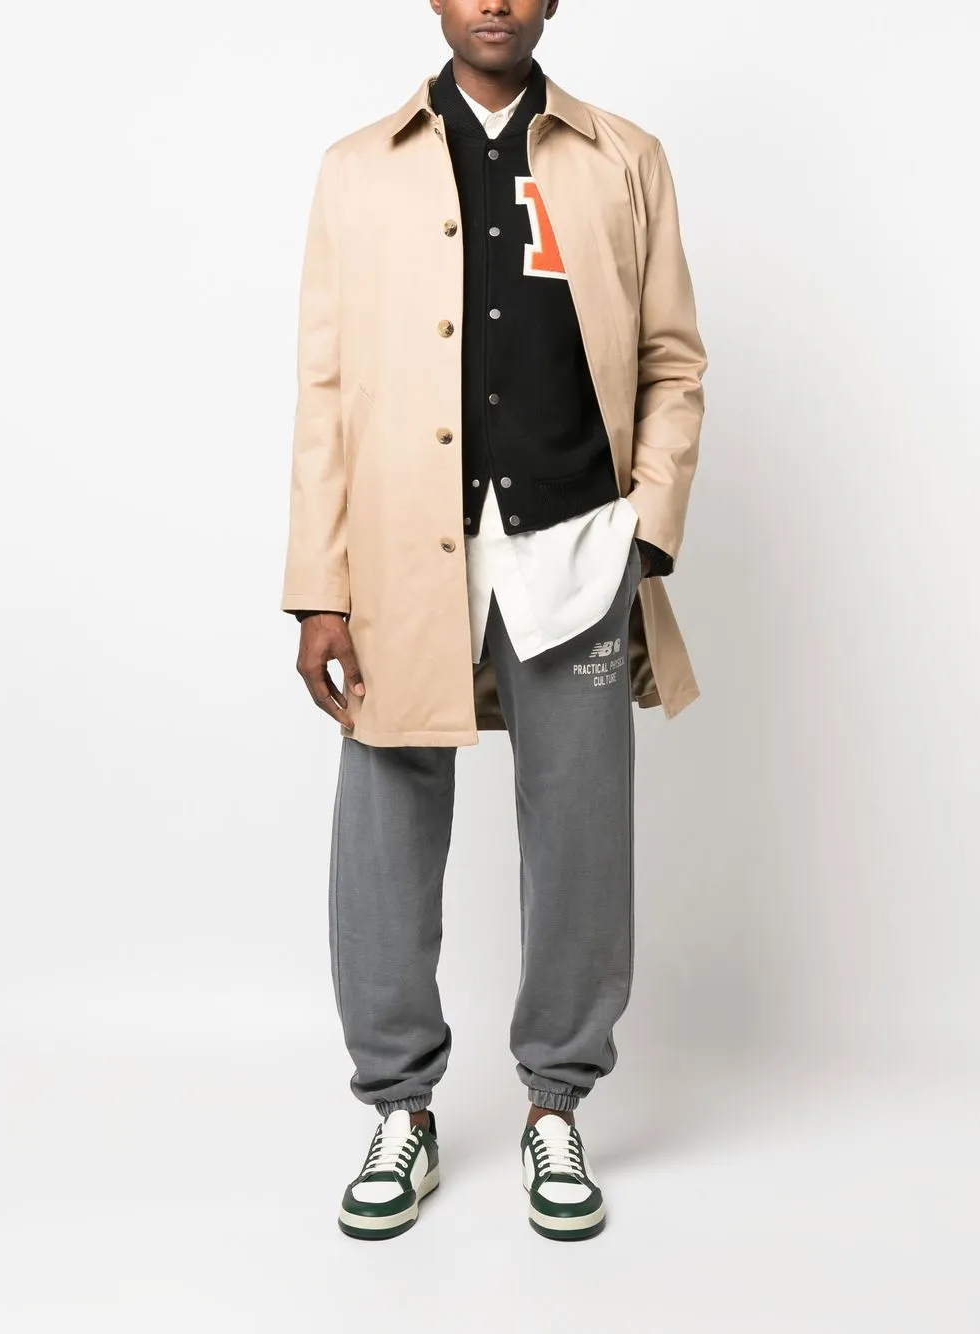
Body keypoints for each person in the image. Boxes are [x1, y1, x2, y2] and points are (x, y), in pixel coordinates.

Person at [281, 0, 707, 1242]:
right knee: (385, 827)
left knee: (581, 832)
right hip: (401, 550)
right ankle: (399, 1106)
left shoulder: (625, 158)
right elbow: (322, 392)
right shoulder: (356, 170)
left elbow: (673, 359)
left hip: (574, 547)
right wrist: (318, 584)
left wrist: (646, 529)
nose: (495, 2)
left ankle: (554, 1102)